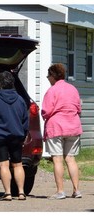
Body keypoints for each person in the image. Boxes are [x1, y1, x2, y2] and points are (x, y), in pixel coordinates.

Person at [0, 71, 29, 201]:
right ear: (13, 83)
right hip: (17, 136)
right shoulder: (20, 100)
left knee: (4, 165)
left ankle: (8, 193)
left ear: (0, 84)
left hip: (0, 137)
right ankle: (21, 193)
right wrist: (24, 134)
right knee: (18, 164)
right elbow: (25, 120)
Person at [42, 63, 83, 200]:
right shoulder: (73, 89)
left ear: (53, 76)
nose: (48, 78)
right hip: (73, 126)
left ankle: (60, 191)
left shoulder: (52, 91)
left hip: (56, 127)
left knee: (57, 159)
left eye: (48, 75)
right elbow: (78, 108)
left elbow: (46, 111)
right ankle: (76, 190)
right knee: (71, 159)